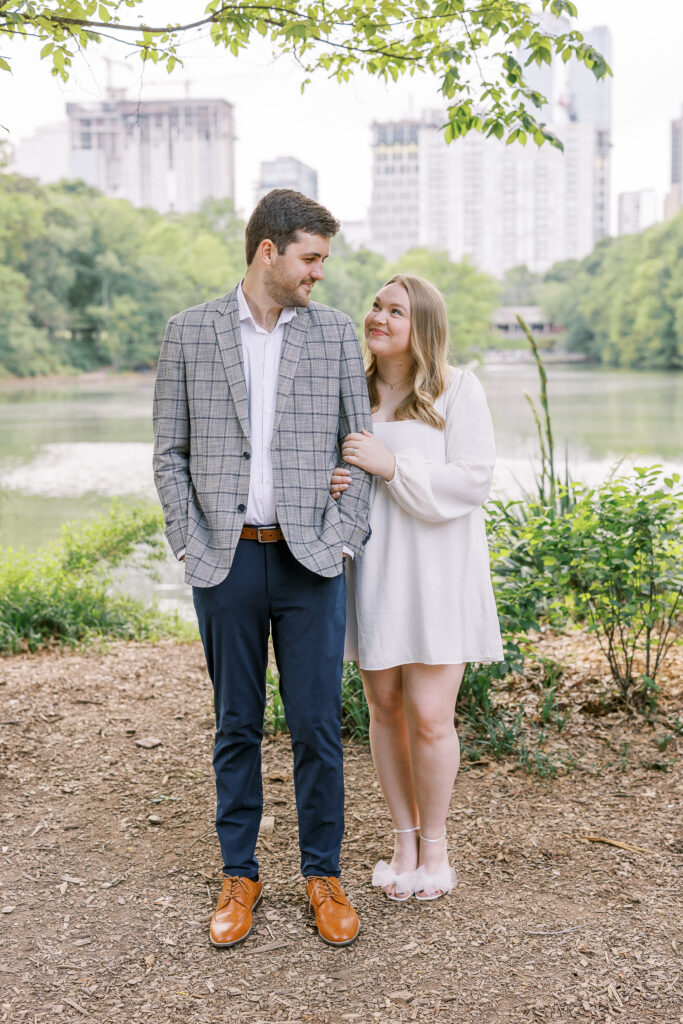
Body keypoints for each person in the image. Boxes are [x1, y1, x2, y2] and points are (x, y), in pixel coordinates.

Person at [153, 189, 372, 948]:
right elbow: (169, 454)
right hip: (226, 559)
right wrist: (190, 541)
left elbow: (359, 446)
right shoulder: (189, 332)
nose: (318, 273)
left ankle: (323, 874)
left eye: (322, 260)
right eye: (310, 258)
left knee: (316, 726)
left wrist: (344, 534)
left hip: (313, 559)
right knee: (235, 725)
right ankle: (238, 874)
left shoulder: (338, 335)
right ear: (267, 251)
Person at [331, 274, 503, 901]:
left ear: (421, 325)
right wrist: (337, 482)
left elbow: (473, 481)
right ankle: (402, 841)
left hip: (437, 575)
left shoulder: (457, 390)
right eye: (376, 306)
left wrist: (393, 465)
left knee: (431, 718)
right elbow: (336, 472)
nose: (377, 317)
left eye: (394, 311)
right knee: (385, 711)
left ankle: (436, 851)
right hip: (375, 571)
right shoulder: (353, 393)